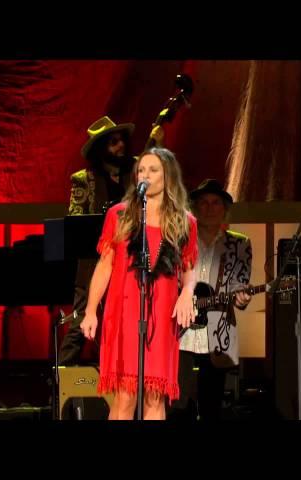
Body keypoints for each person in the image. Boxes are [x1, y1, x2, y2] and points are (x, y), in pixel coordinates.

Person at [78, 147, 197, 420]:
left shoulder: (185, 222)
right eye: (141, 170)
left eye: (153, 170)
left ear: (168, 177)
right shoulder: (120, 215)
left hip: (161, 315)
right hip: (123, 313)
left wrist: (187, 292)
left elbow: (188, 270)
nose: (146, 175)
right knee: (124, 397)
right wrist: (90, 310)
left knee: (155, 398)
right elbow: (104, 265)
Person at [59, 116, 164, 366]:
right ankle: (60, 382)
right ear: (100, 148)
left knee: (129, 323)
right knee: (81, 321)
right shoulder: (84, 179)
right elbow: (75, 223)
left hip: (130, 266)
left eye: (121, 141)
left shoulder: (135, 173)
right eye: (113, 143)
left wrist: (157, 146)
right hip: (94, 265)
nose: (120, 147)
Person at [170, 179, 252, 421]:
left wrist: (241, 298)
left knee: (212, 405)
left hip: (218, 332)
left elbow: (240, 283)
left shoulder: (239, 243)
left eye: (215, 203)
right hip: (179, 330)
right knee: (177, 404)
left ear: (224, 209)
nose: (209, 208)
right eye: (203, 203)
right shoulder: (178, 241)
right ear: (194, 208)